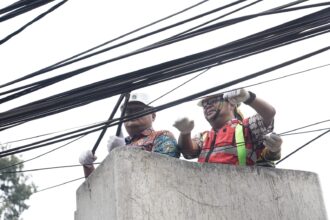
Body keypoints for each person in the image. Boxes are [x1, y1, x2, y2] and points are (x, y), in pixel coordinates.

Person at [79, 92, 180, 177]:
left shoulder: (163, 136)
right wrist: (88, 167)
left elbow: (162, 173)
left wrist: (123, 152)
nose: (131, 114)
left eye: (138, 109)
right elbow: (104, 188)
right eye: (127, 111)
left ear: (153, 115)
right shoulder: (122, 143)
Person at [173, 88, 282, 167]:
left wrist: (249, 97)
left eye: (213, 101)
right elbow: (188, 151)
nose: (207, 106)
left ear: (231, 104)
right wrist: (185, 133)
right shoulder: (205, 136)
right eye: (205, 105)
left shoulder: (245, 127)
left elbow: (269, 114)